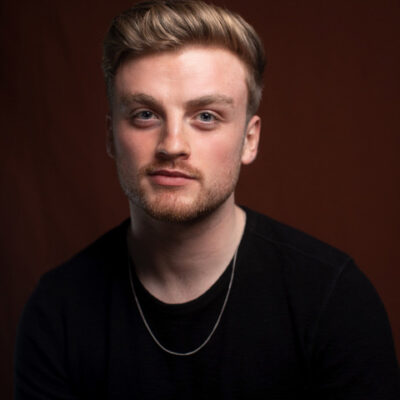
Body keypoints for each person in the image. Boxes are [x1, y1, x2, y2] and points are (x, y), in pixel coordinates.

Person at [14, 0, 399, 398]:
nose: (172, 145)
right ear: (112, 135)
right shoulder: (58, 309)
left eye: (206, 117)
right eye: (145, 114)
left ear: (249, 140)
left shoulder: (333, 299)